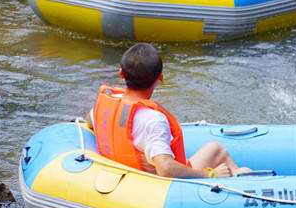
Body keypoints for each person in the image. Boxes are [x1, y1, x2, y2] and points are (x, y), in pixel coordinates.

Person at [90, 43, 246, 179]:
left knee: (215, 149)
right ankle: (245, 179)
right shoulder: (153, 120)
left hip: (128, 173)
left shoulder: (108, 102)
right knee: (232, 163)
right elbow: (165, 169)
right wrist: (210, 174)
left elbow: (91, 120)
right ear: (161, 78)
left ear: (121, 73)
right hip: (156, 184)